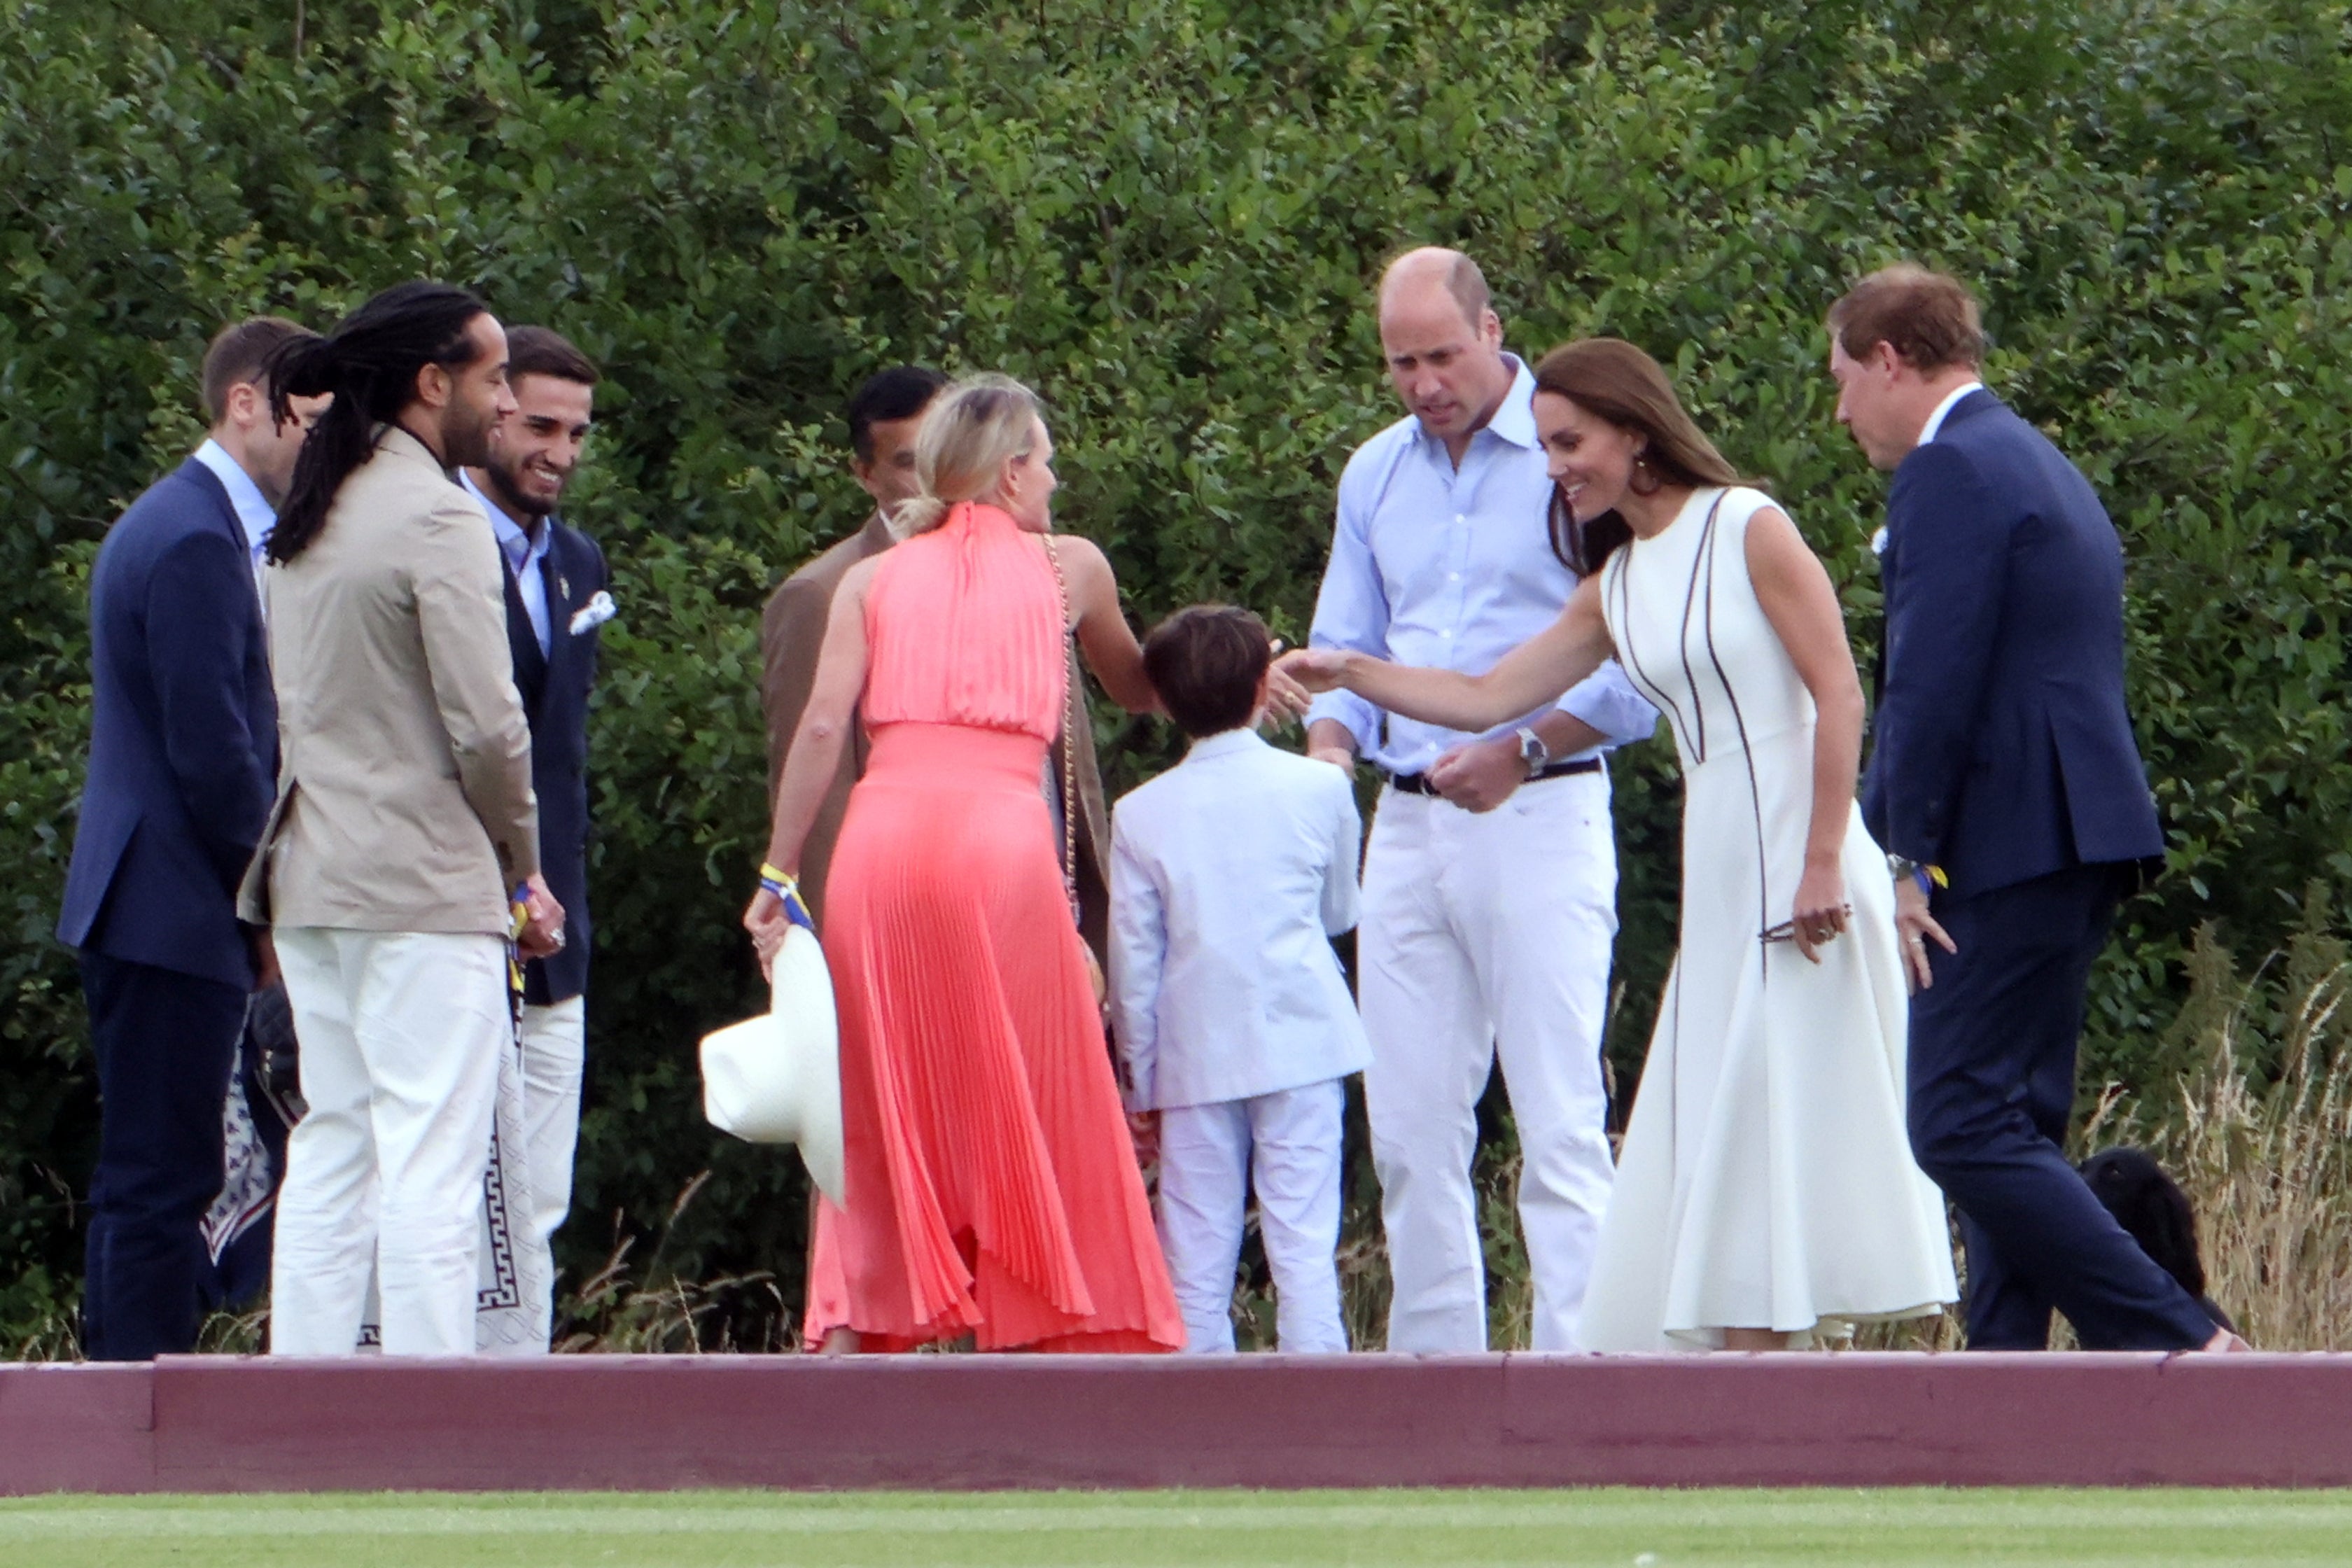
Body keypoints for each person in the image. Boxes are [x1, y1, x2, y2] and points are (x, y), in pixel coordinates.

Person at [1284, 337, 1958, 1350]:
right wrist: (1352, 672)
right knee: (1725, 1121)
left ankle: (1790, 1376)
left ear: (1636, 433)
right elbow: (1484, 696)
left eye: (1570, 443)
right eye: (1549, 446)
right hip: (1721, 846)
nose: (1554, 465)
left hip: (1800, 840)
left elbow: (1839, 693)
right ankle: (1749, 1377)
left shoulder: (1747, 526)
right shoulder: (1615, 585)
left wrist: (1825, 857)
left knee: (1782, 1110)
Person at [1827, 263, 2243, 1352]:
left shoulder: (1950, 469)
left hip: (2003, 841)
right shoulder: (2034, 458)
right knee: (2014, 1132)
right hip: (2076, 831)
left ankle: (2186, 1340)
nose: (1840, 413)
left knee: (1957, 1125)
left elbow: (1932, 679)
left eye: (1842, 381)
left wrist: (1908, 851)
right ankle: (2003, 1378)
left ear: (1888, 360)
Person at [746, 373, 1182, 1353]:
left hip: (883, 838)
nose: (1055, 480)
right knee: (1033, 1072)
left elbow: (822, 726)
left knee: (877, 1081)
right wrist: (1233, 671)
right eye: (1047, 460)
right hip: (1000, 835)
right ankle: (1051, 1314)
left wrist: (778, 875)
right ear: (1014, 468)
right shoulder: (1069, 569)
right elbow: (1138, 683)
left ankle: (861, 1321)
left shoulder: (872, 577)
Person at [1303, 247, 1658, 1352]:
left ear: (1493, 330)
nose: (1423, 383)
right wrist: (1323, 771)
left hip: (1540, 807)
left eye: (1442, 355)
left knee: (1557, 1115)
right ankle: (1435, 1376)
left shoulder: (1570, 459)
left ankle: (1584, 1370)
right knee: (1408, 1127)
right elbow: (1344, 650)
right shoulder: (1377, 473)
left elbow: (1638, 670)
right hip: (1404, 817)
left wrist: (1524, 751)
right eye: (1401, 362)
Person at [240, 281, 563, 1357]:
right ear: (435, 384)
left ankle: (304, 1400)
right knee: (434, 1153)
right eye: (493, 378)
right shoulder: (434, 515)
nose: (509, 402)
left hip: (312, 878)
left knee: (335, 1149)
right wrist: (521, 865)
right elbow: (489, 732)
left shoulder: (311, 512)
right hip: (420, 882)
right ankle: (429, 1417)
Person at [57, 316, 324, 1360]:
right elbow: (211, 750)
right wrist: (265, 900)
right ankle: (133, 1407)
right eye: (306, 421)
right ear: (244, 402)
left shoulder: (185, 525)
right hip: (170, 903)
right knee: (162, 1175)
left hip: (155, 899)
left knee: (157, 1170)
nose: (316, 445)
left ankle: (122, 1391)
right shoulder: (196, 539)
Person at [1108, 606, 1371, 1355]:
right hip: (1301, 1034)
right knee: (1303, 1245)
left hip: (1194, 1049)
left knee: (1194, 1252)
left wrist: (1140, 1077)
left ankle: (1202, 1425)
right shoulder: (1321, 787)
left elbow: (1135, 962)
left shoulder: (1140, 813)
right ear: (1265, 684)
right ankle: (1321, 1416)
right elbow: (1340, 910)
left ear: (1161, 698)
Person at [460, 326, 609, 1275]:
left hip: (562, 922)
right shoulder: (434, 544)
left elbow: (562, 747)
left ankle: (522, 1398)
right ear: (494, 411)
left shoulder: (581, 563)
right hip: (457, 910)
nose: (559, 452)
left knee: (538, 1198)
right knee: (450, 1188)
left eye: (579, 433)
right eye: (540, 426)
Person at [760, 366, 948, 927]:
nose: (936, 477)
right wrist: (842, 941)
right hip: (899, 908)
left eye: (944, 451)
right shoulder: (822, 594)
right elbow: (816, 804)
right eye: (911, 462)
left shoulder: (1036, 564)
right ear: (865, 475)